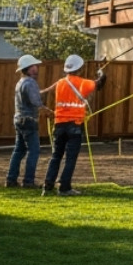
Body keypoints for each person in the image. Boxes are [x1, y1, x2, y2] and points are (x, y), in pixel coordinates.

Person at [43, 53, 105, 196]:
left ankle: (47, 186)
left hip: (59, 124)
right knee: (70, 158)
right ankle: (64, 188)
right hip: (74, 125)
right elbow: (100, 83)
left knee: (56, 156)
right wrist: (101, 71)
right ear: (80, 68)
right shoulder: (82, 82)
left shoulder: (60, 83)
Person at [6, 54, 48, 188]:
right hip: (29, 120)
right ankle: (28, 181)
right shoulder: (30, 83)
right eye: (34, 66)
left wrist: (45, 91)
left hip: (19, 119)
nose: (36, 68)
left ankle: (11, 180)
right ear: (28, 69)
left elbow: (32, 97)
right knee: (33, 151)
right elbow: (36, 102)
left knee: (19, 150)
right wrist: (50, 112)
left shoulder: (21, 82)